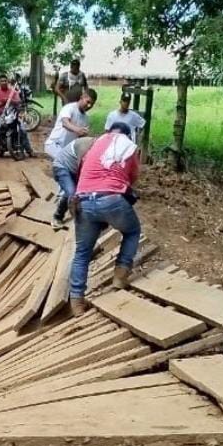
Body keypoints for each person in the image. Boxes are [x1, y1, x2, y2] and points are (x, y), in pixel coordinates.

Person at [67, 120, 141, 316]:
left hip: (82, 200)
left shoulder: (95, 143)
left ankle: (76, 302)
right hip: (112, 199)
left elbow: (82, 170)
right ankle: (120, 277)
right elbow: (132, 179)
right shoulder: (129, 147)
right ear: (128, 135)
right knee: (132, 231)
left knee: (82, 253)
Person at [45, 88, 97, 224]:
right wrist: (77, 130)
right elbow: (65, 123)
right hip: (55, 145)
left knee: (72, 183)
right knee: (68, 182)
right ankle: (61, 206)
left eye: (92, 104)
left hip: (70, 152)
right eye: (88, 102)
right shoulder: (69, 108)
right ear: (82, 97)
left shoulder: (86, 118)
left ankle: (63, 199)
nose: (89, 106)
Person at [49, 134, 95, 228]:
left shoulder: (97, 148)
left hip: (74, 170)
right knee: (72, 192)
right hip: (61, 166)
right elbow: (84, 173)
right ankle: (57, 217)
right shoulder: (85, 148)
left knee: (74, 191)